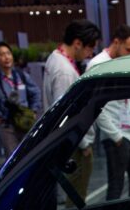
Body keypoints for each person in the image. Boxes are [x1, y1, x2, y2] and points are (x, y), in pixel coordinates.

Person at [42, 20, 101, 192]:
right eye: (89, 48)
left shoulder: (55, 57)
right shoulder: (65, 71)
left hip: (67, 141)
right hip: (74, 145)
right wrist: (83, 144)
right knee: (76, 195)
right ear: (77, 43)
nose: (90, 54)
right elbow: (66, 114)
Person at [89, 25, 130, 200]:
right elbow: (96, 106)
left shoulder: (127, 62)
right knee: (116, 186)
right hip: (116, 137)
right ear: (116, 42)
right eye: (128, 49)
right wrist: (115, 136)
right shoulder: (97, 64)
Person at [0, 41, 43, 156]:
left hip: (25, 123)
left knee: (30, 156)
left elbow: (36, 92)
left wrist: (34, 111)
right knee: (13, 160)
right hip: (7, 127)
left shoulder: (20, 75)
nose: (6, 57)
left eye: (8, 53)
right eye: (2, 54)